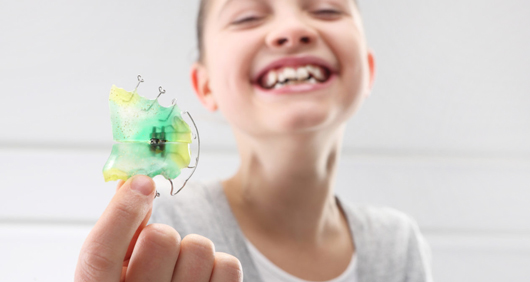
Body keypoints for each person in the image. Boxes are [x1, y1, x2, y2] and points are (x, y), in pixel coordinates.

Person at [75, 0, 433, 281]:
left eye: (327, 9)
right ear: (206, 86)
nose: (292, 29)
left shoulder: (399, 244)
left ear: (368, 70)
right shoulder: (162, 225)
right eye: (246, 17)